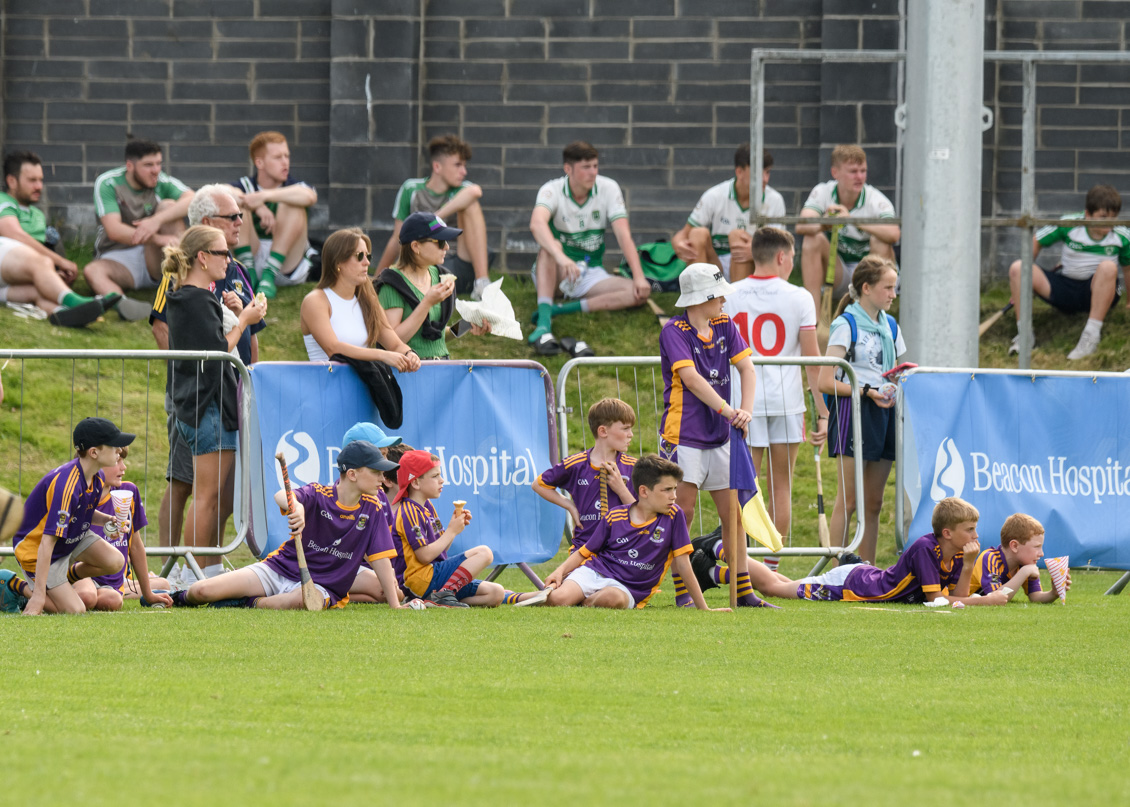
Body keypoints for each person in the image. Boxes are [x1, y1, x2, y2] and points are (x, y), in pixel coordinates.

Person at [151, 184, 266, 588]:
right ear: (202, 257)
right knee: (207, 496)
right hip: (207, 406)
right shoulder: (194, 298)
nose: (228, 260)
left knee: (214, 496)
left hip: (204, 405)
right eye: (222, 254)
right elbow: (218, 350)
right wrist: (246, 320)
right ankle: (194, 573)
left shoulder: (195, 297)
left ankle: (205, 569)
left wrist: (235, 312)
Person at [170, 440, 407, 610]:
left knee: (302, 601)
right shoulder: (318, 493)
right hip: (280, 568)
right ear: (353, 475)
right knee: (202, 592)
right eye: (376, 472)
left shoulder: (373, 508)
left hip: (322, 586)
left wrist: (395, 605)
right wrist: (299, 509)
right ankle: (172, 598)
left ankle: (249, 603)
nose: (382, 479)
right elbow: (282, 496)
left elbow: (381, 560)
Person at [658, 263, 773, 608]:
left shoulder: (725, 324)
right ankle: (683, 593)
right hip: (683, 436)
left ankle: (744, 591)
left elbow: (747, 368)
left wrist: (745, 411)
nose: (724, 300)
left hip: (722, 436)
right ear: (702, 297)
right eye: (718, 294)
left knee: (733, 515)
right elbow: (691, 380)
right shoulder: (674, 331)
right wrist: (729, 410)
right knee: (684, 513)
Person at [723, 228, 829, 567]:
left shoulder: (730, 293)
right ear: (782, 256)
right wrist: (822, 410)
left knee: (743, 487)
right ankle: (770, 564)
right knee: (780, 486)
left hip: (744, 402)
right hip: (786, 402)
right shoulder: (799, 297)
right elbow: (812, 361)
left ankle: (742, 561)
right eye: (793, 256)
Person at [737, 497, 1015, 606]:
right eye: (969, 529)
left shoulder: (956, 554)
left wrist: (968, 566)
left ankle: (731, 556)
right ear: (947, 533)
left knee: (791, 585)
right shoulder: (925, 548)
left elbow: (959, 597)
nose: (975, 536)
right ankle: (730, 549)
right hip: (850, 584)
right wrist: (990, 600)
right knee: (774, 588)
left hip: (862, 578)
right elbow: (938, 602)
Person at [540, 455, 729, 611]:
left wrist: (704, 608)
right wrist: (560, 571)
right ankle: (511, 596)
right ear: (644, 491)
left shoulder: (674, 516)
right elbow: (586, 551)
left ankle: (584, 601)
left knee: (614, 599)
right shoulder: (616, 515)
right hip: (594, 571)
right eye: (667, 490)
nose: (674, 496)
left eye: (674, 489)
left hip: (627, 589)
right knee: (558, 599)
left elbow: (684, 565)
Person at [818, 256, 905, 564]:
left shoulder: (890, 325)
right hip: (853, 412)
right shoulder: (846, 324)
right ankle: (837, 571)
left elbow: (895, 371)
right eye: (888, 287)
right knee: (849, 499)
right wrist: (867, 392)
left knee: (874, 501)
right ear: (866, 288)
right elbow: (825, 381)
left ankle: (866, 572)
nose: (893, 294)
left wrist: (898, 382)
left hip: (885, 412)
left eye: (895, 287)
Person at [527, 140, 651, 355]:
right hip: (557, 269)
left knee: (636, 293)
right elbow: (536, 224)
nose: (593, 172)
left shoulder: (608, 187)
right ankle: (543, 324)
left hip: (589, 271)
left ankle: (560, 309)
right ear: (568, 169)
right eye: (586, 167)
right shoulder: (551, 189)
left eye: (595, 166)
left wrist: (639, 277)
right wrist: (562, 258)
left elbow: (624, 235)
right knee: (549, 246)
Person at [10, 417, 133, 615]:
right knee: (75, 611)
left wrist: (107, 520)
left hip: (70, 539)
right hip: (37, 550)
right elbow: (46, 542)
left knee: (116, 562)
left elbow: (84, 511)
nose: (119, 450)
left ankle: (63, 578)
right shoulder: (67, 484)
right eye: (113, 446)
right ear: (94, 452)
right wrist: (39, 597)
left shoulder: (98, 476)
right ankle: (17, 587)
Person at [392, 449, 544, 607]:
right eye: (435, 476)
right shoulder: (409, 511)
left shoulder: (427, 506)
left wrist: (453, 527)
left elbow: (441, 549)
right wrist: (451, 531)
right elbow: (424, 556)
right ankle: (444, 594)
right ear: (415, 482)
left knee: (495, 593)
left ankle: (436, 598)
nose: (442, 480)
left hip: (433, 578)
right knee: (484, 553)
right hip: (422, 579)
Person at [1007, 184, 1130, 360]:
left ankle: (1091, 336)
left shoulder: (1123, 235)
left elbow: (1128, 269)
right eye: (1103, 217)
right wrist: (1025, 286)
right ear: (1088, 214)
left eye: (1113, 217)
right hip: (1065, 289)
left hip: (1102, 292)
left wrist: (1129, 303)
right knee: (1018, 268)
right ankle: (1025, 336)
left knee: (1108, 267)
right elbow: (1036, 241)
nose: (1109, 223)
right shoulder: (1069, 224)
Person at [84, 138, 192, 319]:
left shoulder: (160, 180)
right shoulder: (108, 183)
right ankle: (123, 304)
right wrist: (158, 238)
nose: (156, 170)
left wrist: (156, 221)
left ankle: (188, 289)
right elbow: (115, 230)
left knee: (168, 206)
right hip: (119, 256)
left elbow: (193, 199)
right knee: (91, 271)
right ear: (130, 166)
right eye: (148, 165)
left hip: (155, 256)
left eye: (158, 163)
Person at [377, 134, 492, 300]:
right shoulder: (411, 189)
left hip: (458, 261)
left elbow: (475, 191)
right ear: (437, 167)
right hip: (422, 263)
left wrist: (433, 219)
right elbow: (397, 237)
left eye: (465, 165)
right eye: (458, 165)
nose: (464, 171)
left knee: (471, 203)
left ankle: (482, 283)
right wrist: (379, 277)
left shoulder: (462, 189)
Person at [0, 151, 108, 327]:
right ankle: (78, 302)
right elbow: (14, 235)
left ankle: (65, 314)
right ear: (12, 181)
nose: (39, 186)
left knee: (37, 290)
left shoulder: (37, 214)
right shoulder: (3, 201)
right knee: (41, 262)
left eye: (41, 180)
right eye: (32, 180)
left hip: (7, 278)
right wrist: (58, 261)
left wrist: (52, 275)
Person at [299, 227, 421, 373]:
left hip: (360, 388)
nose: (367, 263)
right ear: (338, 262)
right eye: (359, 256)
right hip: (326, 389)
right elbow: (334, 349)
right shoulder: (316, 301)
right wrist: (381, 355)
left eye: (368, 257)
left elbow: (395, 344)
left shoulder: (368, 299)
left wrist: (409, 354)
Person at [797, 144, 899, 316]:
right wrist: (825, 223)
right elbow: (801, 225)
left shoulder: (876, 199)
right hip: (838, 273)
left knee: (880, 242)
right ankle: (813, 320)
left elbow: (894, 234)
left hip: (869, 275)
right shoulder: (823, 192)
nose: (860, 177)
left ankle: (876, 317)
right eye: (853, 171)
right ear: (835, 173)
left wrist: (852, 220)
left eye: (863, 170)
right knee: (812, 239)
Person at [375, 212, 489, 360]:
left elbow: (436, 336)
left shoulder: (440, 276)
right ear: (416, 246)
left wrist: (466, 325)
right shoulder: (392, 283)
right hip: (410, 371)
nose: (447, 247)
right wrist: (427, 303)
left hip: (441, 367)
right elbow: (393, 341)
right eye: (440, 242)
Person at [533, 397, 637, 553]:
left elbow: (640, 513)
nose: (631, 434)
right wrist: (570, 506)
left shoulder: (634, 467)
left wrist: (620, 488)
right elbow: (539, 484)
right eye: (625, 429)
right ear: (603, 431)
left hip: (621, 551)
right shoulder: (576, 464)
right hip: (583, 549)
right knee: (567, 578)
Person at [672, 145, 787, 282]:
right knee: (697, 234)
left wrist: (757, 251)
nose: (765, 179)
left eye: (767, 172)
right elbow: (683, 234)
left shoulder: (774, 200)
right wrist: (679, 244)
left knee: (737, 236)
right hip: (716, 267)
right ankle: (700, 301)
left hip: (752, 268)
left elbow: (782, 250)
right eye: (758, 173)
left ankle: (738, 301)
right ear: (739, 172)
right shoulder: (715, 195)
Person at [231, 131, 317, 298]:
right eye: (278, 157)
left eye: (287, 156)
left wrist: (263, 197)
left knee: (292, 204)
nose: (285, 162)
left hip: (286, 266)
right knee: (233, 204)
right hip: (252, 258)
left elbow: (309, 196)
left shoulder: (294, 186)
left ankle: (268, 276)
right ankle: (248, 275)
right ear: (259, 163)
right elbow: (218, 193)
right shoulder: (246, 185)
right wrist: (256, 206)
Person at [86, 446, 172, 611]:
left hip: (113, 583)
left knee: (163, 584)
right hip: (82, 577)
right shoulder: (79, 493)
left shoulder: (128, 491)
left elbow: (135, 545)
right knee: (87, 596)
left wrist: (148, 594)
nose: (123, 467)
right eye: (117, 460)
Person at [970, 513, 1071, 603]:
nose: (1041, 553)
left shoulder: (1025, 563)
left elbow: (1035, 596)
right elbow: (995, 596)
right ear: (1014, 546)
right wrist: (1024, 572)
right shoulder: (990, 558)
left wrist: (1053, 593)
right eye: (1036, 547)